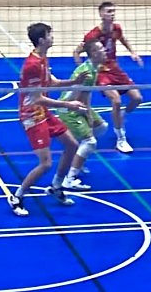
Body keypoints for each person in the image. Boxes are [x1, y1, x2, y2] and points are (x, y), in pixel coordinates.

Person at [7, 23, 89, 217]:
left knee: (72, 145)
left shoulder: (42, 58)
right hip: (32, 116)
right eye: (50, 35)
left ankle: (56, 187)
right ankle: (17, 196)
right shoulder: (32, 65)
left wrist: (74, 82)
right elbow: (37, 98)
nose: (53, 37)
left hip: (43, 112)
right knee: (45, 164)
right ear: (42, 40)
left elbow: (51, 82)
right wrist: (69, 105)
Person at [74, 2, 143, 153]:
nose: (112, 14)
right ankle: (121, 139)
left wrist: (133, 52)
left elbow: (122, 39)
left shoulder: (116, 28)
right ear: (101, 14)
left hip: (115, 68)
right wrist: (84, 70)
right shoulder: (92, 35)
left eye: (113, 11)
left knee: (137, 99)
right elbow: (77, 52)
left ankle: (122, 115)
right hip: (101, 72)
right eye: (108, 11)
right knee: (116, 100)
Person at [59, 39, 109, 191]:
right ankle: (70, 179)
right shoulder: (87, 73)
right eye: (101, 49)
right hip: (68, 109)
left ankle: (79, 157)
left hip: (78, 103)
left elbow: (86, 95)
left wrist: (89, 113)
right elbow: (77, 97)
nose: (105, 51)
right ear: (93, 53)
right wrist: (86, 114)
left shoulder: (92, 68)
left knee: (101, 126)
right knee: (90, 142)